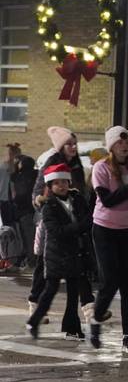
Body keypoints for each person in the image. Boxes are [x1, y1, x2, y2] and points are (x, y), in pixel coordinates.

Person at [90, 126, 128, 353]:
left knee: (127, 284)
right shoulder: (101, 167)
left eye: (127, 143)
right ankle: (96, 321)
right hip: (105, 228)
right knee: (110, 280)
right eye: (119, 143)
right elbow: (108, 200)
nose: (124, 147)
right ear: (111, 147)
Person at [29, 127, 97, 327]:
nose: (73, 147)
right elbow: (36, 193)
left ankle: (89, 311)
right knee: (45, 266)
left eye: (75, 143)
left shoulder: (76, 166)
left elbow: (81, 192)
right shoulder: (50, 164)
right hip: (53, 225)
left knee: (80, 267)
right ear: (60, 146)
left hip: (74, 222)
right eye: (69, 143)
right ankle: (35, 305)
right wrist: (44, 201)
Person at [25, 164, 93, 340]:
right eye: (57, 183)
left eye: (64, 181)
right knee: (50, 291)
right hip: (56, 255)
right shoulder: (48, 206)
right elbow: (56, 232)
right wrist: (79, 227)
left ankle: (72, 328)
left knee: (73, 293)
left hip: (74, 253)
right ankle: (34, 321)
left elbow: (88, 216)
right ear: (50, 186)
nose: (61, 186)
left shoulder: (76, 199)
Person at [8, 143, 37, 268]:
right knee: (31, 236)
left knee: (28, 237)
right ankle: (31, 260)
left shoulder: (21, 177)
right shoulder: (35, 174)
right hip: (33, 210)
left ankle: (32, 262)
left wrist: (15, 203)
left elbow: (20, 194)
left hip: (24, 211)